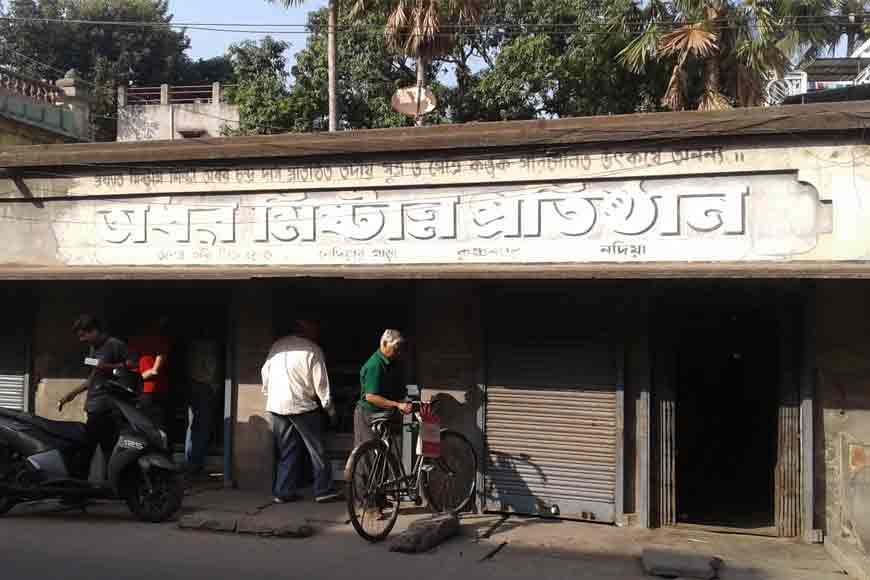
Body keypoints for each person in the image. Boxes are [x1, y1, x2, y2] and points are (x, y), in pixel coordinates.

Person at [261, 319, 340, 504]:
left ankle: (283, 491)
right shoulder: (313, 350)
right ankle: (323, 490)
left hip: (277, 406)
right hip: (303, 407)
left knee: (288, 450)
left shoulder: (277, 346)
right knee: (317, 450)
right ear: (308, 330)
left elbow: (265, 373)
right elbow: (322, 385)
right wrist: (330, 410)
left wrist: (269, 393)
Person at [58, 314, 129, 477]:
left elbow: (131, 367)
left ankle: (79, 492)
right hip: (94, 406)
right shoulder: (93, 348)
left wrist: (109, 367)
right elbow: (94, 376)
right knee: (101, 449)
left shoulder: (115, 345)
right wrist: (72, 394)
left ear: (95, 330)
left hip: (108, 407)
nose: (82, 340)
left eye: (84, 335)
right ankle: (107, 487)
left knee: (93, 450)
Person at [354, 329, 413, 449]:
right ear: (384, 344)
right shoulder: (375, 365)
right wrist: (397, 405)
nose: (398, 352)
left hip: (383, 415)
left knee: (383, 453)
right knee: (366, 455)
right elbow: (371, 397)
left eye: (400, 349)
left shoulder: (393, 362)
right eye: (396, 349)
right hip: (368, 414)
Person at [185, 336, 221, 476]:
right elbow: (211, 368)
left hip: (193, 384)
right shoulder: (209, 345)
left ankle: (191, 461)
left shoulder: (193, 344)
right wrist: (215, 386)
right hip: (204, 386)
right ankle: (196, 463)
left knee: (193, 425)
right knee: (202, 426)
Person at [128, 316, 170, 429]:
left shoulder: (136, 340)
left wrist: (136, 377)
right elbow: (154, 370)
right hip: (152, 390)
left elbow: (132, 364)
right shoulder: (160, 340)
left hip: (146, 389)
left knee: (144, 425)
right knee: (156, 426)